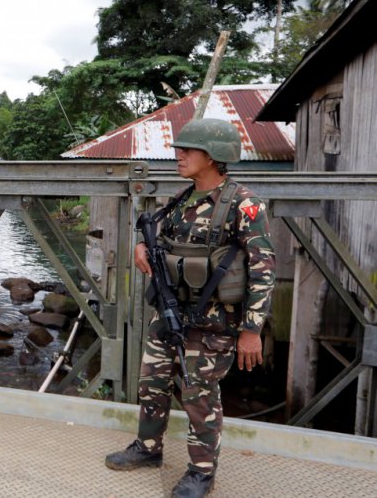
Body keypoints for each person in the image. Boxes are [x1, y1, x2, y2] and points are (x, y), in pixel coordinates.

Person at [105, 119, 275, 498]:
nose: (178, 155)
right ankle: (148, 449)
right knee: (152, 383)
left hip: (214, 323)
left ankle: (201, 472)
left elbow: (264, 269)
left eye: (188, 149)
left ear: (214, 156)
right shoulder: (183, 199)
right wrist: (140, 247)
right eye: (179, 148)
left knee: (200, 396)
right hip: (168, 313)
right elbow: (156, 236)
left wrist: (252, 330)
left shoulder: (243, 204)